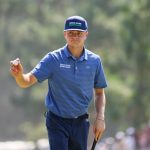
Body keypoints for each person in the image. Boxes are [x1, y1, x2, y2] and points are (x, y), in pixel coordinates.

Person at [10, 16, 107, 150]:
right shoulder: (53, 59)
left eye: (79, 33)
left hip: (81, 122)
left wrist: (100, 118)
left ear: (86, 34)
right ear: (65, 34)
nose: (75, 36)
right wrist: (19, 75)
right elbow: (26, 82)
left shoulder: (95, 61)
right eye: (71, 33)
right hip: (57, 121)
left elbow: (100, 93)